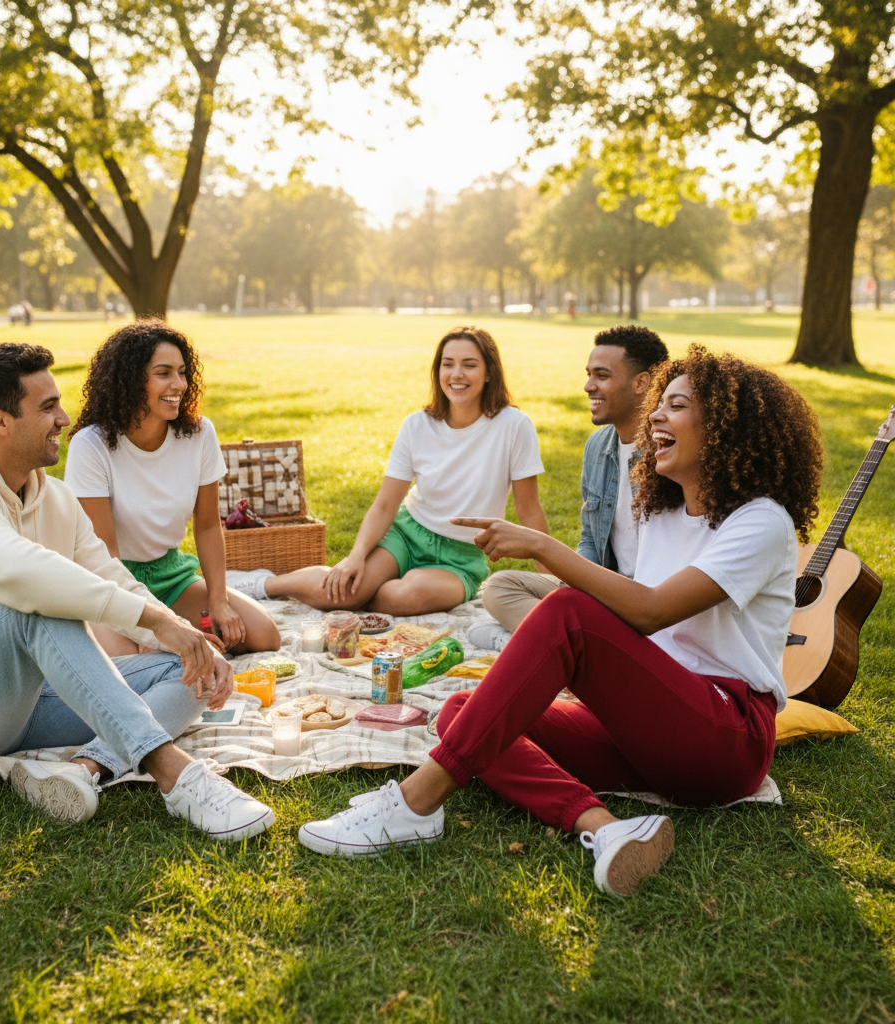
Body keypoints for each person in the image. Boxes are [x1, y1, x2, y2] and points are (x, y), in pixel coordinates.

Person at [296, 345, 823, 897]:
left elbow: (650, 611)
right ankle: (605, 828)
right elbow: (639, 626)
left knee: (568, 613)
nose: (656, 417)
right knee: (463, 714)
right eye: (658, 405)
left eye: (678, 406)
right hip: (657, 726)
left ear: (724, 427)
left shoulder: (761, 522)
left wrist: (540, 547)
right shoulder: (662, 510)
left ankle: (415, 803)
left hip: (724, 736)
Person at [0, 343, 274, 839]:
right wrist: (159, 621)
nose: (64, 418)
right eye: (47, 408)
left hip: (30, 701)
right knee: (34, 607)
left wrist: (173, 635)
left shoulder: (54, 498)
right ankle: (176, 776)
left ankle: (86, 770)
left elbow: (110, 575)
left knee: (191, 666)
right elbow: (25, 575)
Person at [229, 326, 550, 615]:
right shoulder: (418, 425)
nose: (456, 374)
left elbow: (529, 510)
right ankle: (263, 585)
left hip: (460, 556)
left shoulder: (514, 426)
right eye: (448, 363)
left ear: (489, 372)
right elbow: (385, 504)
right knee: (343, 590)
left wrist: (549, 586)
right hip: (406, 534)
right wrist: (357, 556)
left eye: (469, 364)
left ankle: (353, 592)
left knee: (404, 596)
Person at [64, 320, 279, 655]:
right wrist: (167, 627)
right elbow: (106, 556)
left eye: (182, 372)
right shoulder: (90, 445)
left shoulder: (198, 433)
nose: (179, 384)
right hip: (113, 583)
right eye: (163, 373)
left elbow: (207, 526)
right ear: (131, 380)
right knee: (137, 663)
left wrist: (218, 601)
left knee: (263, 634)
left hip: (171, 575)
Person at [470, 325, 668, 650]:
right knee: (501, 587)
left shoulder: (669, 452)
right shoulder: (598, 447)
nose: (589, 386)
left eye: (601, 376)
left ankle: (535, 641)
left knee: (564, 614)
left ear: (641, 383)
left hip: (647, 603)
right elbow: (591, 537)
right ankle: (559, 638)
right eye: (589, 374)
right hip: (602, 590)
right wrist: (570, 585)